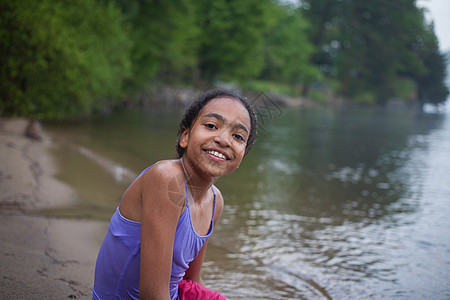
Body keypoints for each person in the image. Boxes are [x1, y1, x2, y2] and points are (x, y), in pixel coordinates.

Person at [92, 89, 258, 300]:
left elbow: (191, 281)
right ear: (185, 136)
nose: (224, 140)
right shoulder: (166, 179)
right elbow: (152, 294)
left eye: (238, 136)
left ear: (243, 153)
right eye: (211, 126)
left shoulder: (215, 201)